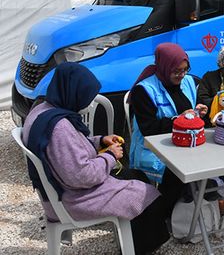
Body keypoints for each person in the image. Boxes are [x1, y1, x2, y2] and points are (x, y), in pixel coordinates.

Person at [23, 63, 170, 254]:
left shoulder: (42, 110)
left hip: (61, 190)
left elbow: (69, 150)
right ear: (72, 92)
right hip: (74, 199)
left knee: (137, 175)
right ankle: (140, 248)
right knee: (149, 196)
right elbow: (82, 175)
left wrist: (100, 141)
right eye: (86, 97)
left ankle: (132, 239)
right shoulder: (59, 128)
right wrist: (110, 155)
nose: (89, 102)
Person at [129, 43, 208, 211]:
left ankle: (193, 209)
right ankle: (165, 215)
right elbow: (149, 129)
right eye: (176, 71)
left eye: (185, 69)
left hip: (185, 145)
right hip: (155, 149)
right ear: (164, 66)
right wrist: (178, 120)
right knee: (176, 174)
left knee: (213, 164)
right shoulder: (144, 90)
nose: (182, 75)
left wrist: (199, 112)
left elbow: (192, 111)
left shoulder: (188, 81)